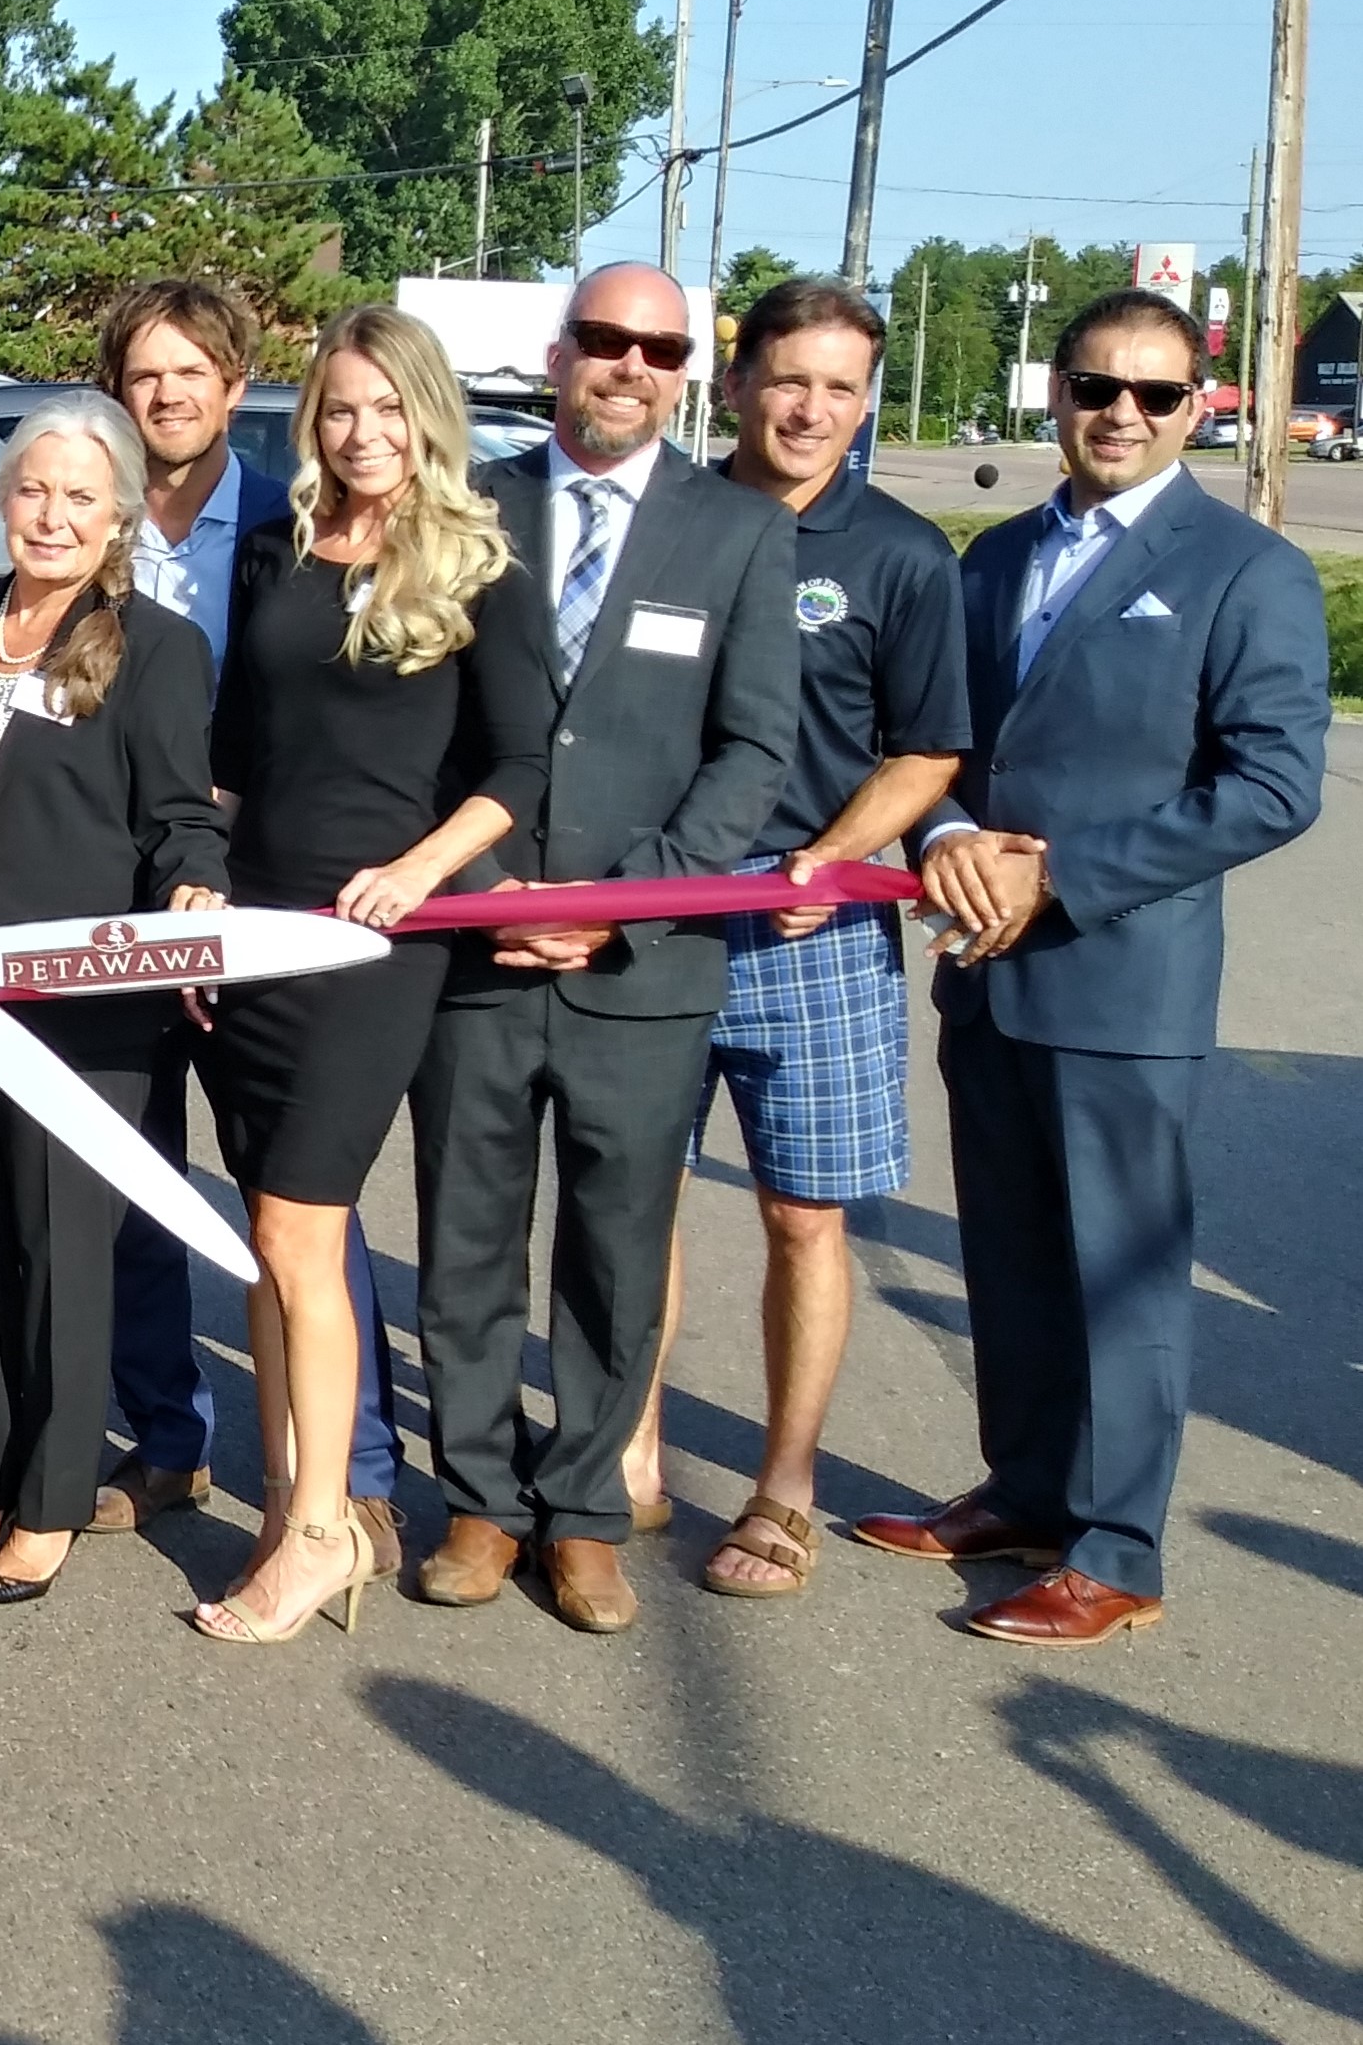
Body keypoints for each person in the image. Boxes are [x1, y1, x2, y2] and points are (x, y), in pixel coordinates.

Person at [857, 287, 1327, 1645]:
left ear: (1195, 407)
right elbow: (928, 740)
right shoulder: (992, 557)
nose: (1117, 414)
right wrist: (944, 837)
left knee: (1118, 1276)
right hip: (982, 970)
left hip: (1119, 982)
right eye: (1093, 387)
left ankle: (1114, 1550)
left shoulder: (1244, 572)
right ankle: (1023, 1491)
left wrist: (1053, 873)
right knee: (1007, 1254)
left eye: (1152, 394)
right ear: (1052, 393)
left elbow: (1270, 787)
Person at [409, 263, 798, 1638]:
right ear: (559, 350)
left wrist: (624, 898)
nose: (626, 366)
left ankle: (579, 1514)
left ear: (686, 369)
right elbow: (426, 724)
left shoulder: (736, 532)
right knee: (462, 1239)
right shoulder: (469, 508)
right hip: (477, 949)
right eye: (602, 341)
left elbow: (753, 748)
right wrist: (494, 886)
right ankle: (474, 1500)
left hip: (643, 968)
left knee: (613, 1251)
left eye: (658, 348)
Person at [613, 281, 968, 1602]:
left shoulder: (899, 556)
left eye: (837, 386)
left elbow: (926, 749)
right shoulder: (664, 525)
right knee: (631, 1200)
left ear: (864, 399)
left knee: (798, 1220)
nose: (809, 408)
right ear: (737, 382)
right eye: (785, 380)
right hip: (652, 914)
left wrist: (833, 856)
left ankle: (782, 1489)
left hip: (809, 928)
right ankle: (628, 1452)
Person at [200, 305, 550, 1644]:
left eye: (383, 409)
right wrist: (203, 907)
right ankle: (293, 1498)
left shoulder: (477, 566)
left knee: (300, 1225)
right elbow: (240, 752)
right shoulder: (276, 551)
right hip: (258, 923)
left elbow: (517, 767)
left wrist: (419, 870)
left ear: (424, 415)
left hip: (374, 938)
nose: (359, 434)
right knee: (269, 1236)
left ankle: (321, 1529)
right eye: (337, 410)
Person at [92, 276, 427, 1567]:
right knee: (134, 1177)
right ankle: (164, 1440)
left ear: (234, 390)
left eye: (190, 374)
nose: (165, 396)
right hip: (117, 893)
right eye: (141, 376)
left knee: (294, 1198)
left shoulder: (287, 529)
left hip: (264, 897)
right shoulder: (92, 513)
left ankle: (355, 1471)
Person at [0, 392, 228, 1607]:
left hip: (76, 1007)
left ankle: (47, 1505)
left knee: (60, 1256)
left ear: (119, 515)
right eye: (32, 489)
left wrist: (196, 887)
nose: (49, 513)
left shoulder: (154, 647)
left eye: (78, 496)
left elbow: (180, 817)